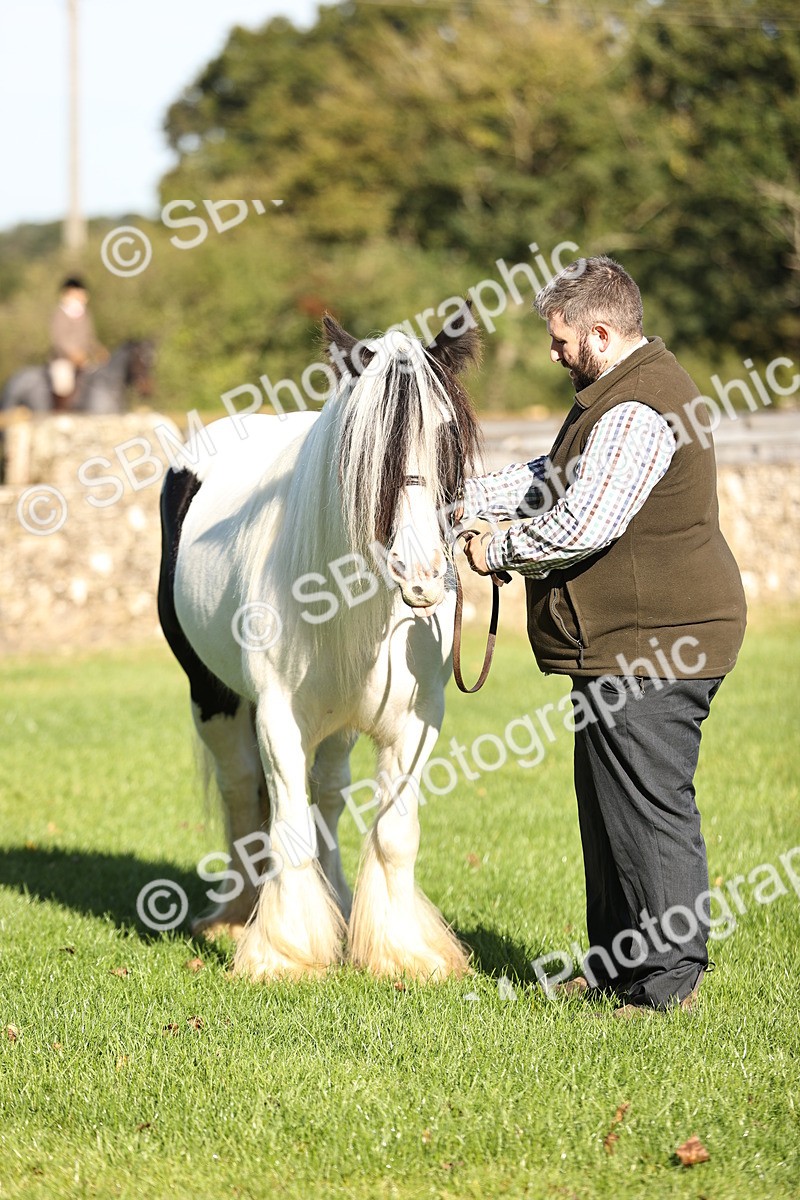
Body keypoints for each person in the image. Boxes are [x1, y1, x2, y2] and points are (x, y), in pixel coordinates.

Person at [460, 255, 747, 1016]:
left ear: (599, 330)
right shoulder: (612, 396)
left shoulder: (635, 409)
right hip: (630, 642)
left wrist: (497, 550)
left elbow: (582, 523)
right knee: (608, 807)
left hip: (659, 641)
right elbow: (550, 477)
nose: (553, 353)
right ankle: (618, 966)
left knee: (650, 808)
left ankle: (668, 984)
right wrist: (455, 496)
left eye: (560, 341)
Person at [49, 276, 106, 408]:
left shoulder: (85, 314)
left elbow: (90, 337)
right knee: (63, 383)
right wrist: (73, 354)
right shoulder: (59, 314)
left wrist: (98, 350)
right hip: (63, 359)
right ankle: (59, 411)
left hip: (83, 360)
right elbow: (59, 339)